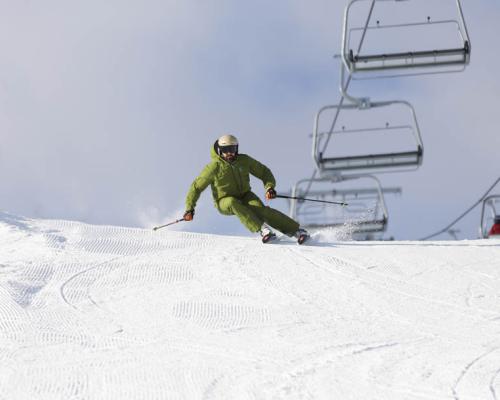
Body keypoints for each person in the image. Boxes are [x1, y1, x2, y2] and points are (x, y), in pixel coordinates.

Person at [183, 134, 310, 244]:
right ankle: (262, 229)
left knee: (262, 211)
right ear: (220, 150)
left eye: (232, 149)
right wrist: (190, 209)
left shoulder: (243, 160)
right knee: (232, 202)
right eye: (226, 150)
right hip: (223, 201)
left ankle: (297, 231)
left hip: (245, 195)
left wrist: (269, 187)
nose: (230, 153)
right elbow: (196, 187)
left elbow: (264, 172)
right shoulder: (213, 167)